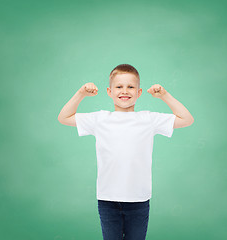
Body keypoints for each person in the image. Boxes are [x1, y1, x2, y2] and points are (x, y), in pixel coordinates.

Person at [58, 64, 194, 240]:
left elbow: (187, 119)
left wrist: (164, 96)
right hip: (108, 199)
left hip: (139, 200)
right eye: (119, 86)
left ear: (139, 92)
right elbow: (64, 117)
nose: (125, 91)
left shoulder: (148, 119)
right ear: (109, 91)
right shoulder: (100, 119)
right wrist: (81, 94)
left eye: (131, 87)